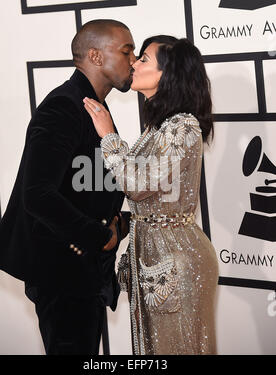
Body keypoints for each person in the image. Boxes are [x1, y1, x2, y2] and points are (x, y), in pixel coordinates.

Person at [0, 19, 136, 355]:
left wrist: (119, 224)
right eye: (126, 51)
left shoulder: (91, 105)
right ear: (95, 57)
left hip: (81, 274)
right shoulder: (65, 105)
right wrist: (101, 236)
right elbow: (37, 195)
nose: (134, 59)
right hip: (62, 275)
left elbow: (88, 191)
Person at [83, 35, 219, 355]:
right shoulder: (158, 126)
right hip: (154, 256)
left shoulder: (183, 126)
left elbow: (140, 184)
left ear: (167, 75)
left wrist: (109, 137)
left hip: (177, 262)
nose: (133, 63)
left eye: (143, 59)